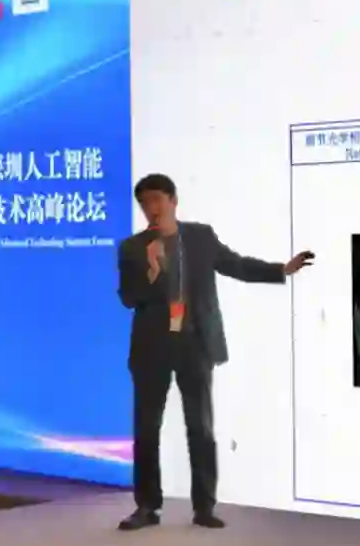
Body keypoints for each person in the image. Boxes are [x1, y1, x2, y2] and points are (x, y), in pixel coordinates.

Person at [116, 173, 314, 531]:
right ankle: (146, 507)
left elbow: (236, 265)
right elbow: (129, 298)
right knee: (146, 430)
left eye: (157, 199)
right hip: (151, 349)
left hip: (195, 345)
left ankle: (204, 507)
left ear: (173, 200)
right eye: (144, 203)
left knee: (201, 428)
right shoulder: (132, 248)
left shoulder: (200, 237)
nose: (151, 208)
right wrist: (153, 271)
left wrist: (281, 270)